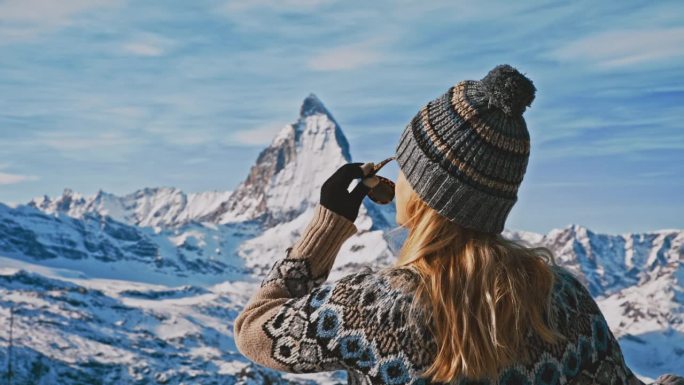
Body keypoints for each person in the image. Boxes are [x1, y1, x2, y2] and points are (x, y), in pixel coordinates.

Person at [233, 64, 682, 384]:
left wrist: (326, 229)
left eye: (405, 166)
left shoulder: (367, 309)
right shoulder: (563, 299)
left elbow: (255, 332)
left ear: (426, 191)